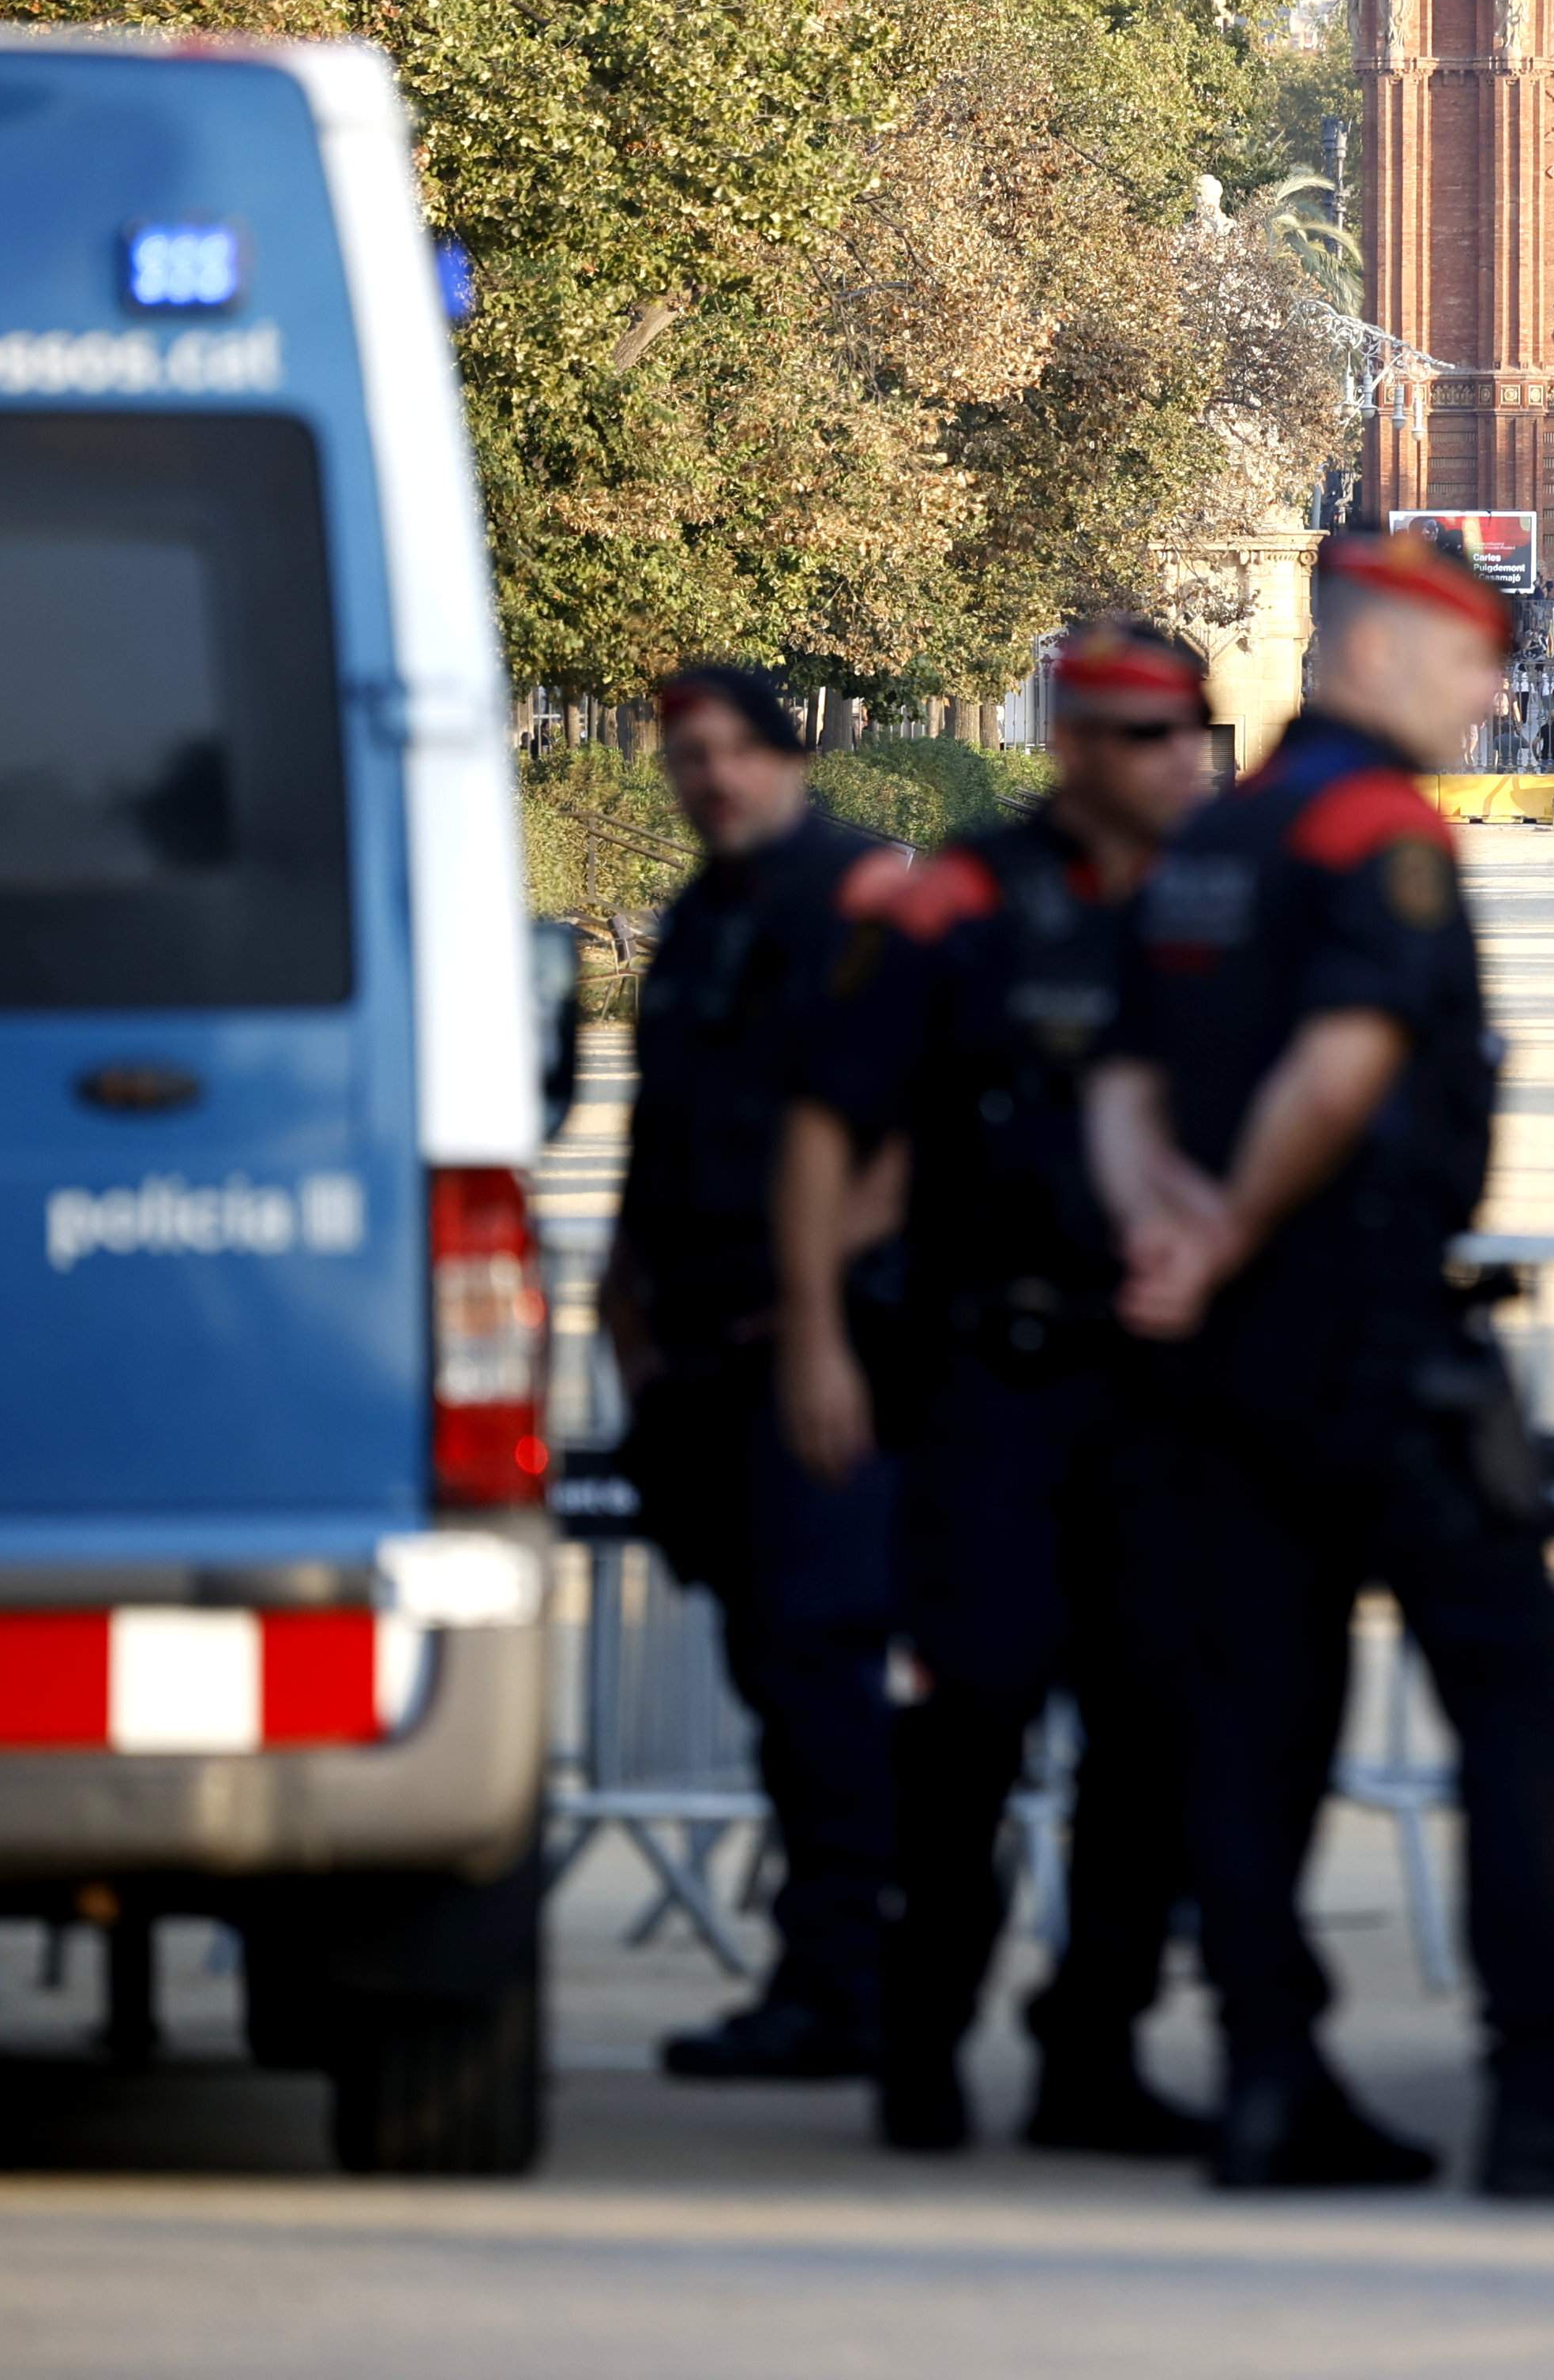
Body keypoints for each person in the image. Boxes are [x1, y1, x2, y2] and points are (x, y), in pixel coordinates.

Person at [1088, 526, 1554, 2201]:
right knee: (1526, 1697)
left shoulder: (1213, 842)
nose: (1495, 692)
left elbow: (1118, 1085)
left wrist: (1167, 1230)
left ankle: (1266, 2078)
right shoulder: (1381, 840)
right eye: (1472, 663)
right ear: (1380, 659)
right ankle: (1546, 2084)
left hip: (1217, 1358)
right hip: (1365, 1335)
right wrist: (1233, 1228)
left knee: (1261, 1719)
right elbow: (1348, 1058)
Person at [777, 620, 1226, 2160]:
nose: (1184, 762)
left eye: (1194, 734)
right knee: (966, 1735)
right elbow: (831, 1130)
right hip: (989, 1386)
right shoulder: (956, 905)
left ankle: (1090, 2056)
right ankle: (921, 2047)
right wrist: (819, 1341)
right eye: (1152, 737)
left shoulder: (1207, 906)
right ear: (1080, 747)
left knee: (1148, 1738)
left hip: (1153, 1394)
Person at [598, 662, 901, 2083]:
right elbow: (663, 1129)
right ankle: (830, 1975)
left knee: (820, 1667)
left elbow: (899, 1143)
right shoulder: (705, 915)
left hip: (813, 1356)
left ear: (784, 757)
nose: (707, 777)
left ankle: (850, 1983)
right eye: (685, 755)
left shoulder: (849, 900)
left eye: (730, 751)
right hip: (704, 1356)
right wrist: (623, 1308)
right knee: (773, 1669)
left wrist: (818, 1320)